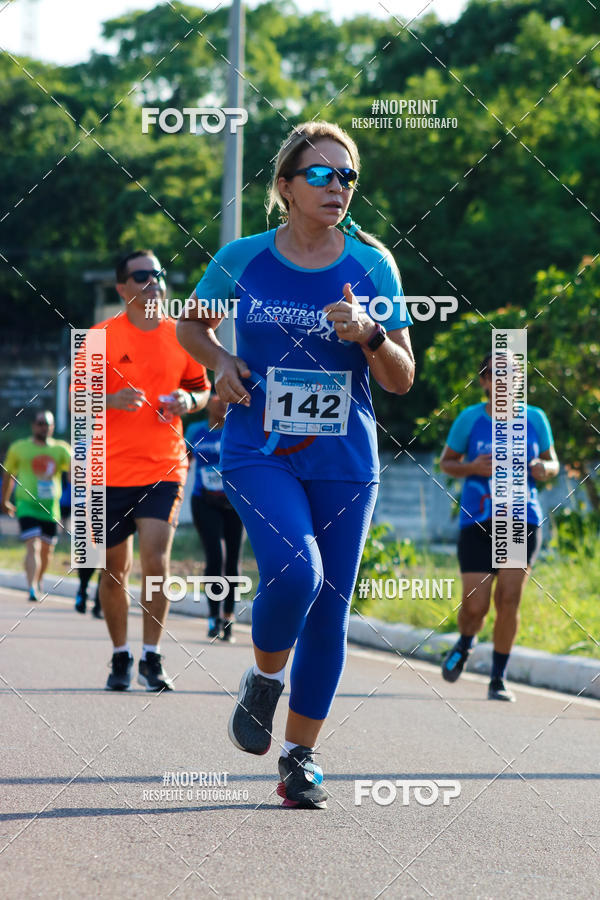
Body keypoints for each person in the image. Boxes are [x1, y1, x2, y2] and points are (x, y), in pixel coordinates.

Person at [177, 121, 414, 809]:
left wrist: (369, 335)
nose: (337, 186)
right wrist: (220, 362)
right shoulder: (243, 258)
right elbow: (192, 322)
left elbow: (401, 378)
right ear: (284, 186)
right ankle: (263, 677)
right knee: (294, 572)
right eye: (320, 174)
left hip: (345, 457)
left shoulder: (372, 265)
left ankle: (299, 758)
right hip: (258, 447)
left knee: (329, 609)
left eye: (347, 177)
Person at [82, 249, 210, 692]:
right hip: (106, 470)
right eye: (141, 277)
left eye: (157, 275)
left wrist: (187, 402)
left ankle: (152, 656)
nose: (152, 283)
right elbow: (79, 401)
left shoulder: (181, 335)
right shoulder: (99, 337)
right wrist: (110, 400)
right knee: (113, 570)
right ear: (122, 289)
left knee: (157, 560)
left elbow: (203, 392)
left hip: (164, 466)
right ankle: (121, 655)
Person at [439, 352, 559, 701]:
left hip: (521, 518)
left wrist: (543, 469)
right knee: (475, 606)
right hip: (477, 519)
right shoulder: (469, 419)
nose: (504, 381)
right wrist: (473, 467)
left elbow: (552, 464)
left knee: (509, 598)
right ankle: (465, 641)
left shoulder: (535, 418)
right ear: (485, 382)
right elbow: (447, 463)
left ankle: (498, 678)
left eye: (512, 375)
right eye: (496, 374)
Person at [186, 393, 244, 642]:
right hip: (204, 502)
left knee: (232, 561)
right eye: (217, 399)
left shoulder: (239, 429)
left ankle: (228, 617)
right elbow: (183, 460)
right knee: (215, 557)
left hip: (235, 504)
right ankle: (212, 618)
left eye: (226, 401)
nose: (222, 404)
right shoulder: (196, 430)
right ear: (208, 402)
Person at [1, 410, 71, 602]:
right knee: (33, 545)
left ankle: (38, 580)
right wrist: (5, 500)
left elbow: (75, 473)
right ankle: (31, 587)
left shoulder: (61, 449)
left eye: (48, 424)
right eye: (40, 423)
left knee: (47, 551)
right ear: (34, 426)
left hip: (50, 509)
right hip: (26, 504)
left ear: (53, 427)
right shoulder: (20, 448)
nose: (44, 427)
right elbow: (9, 475)